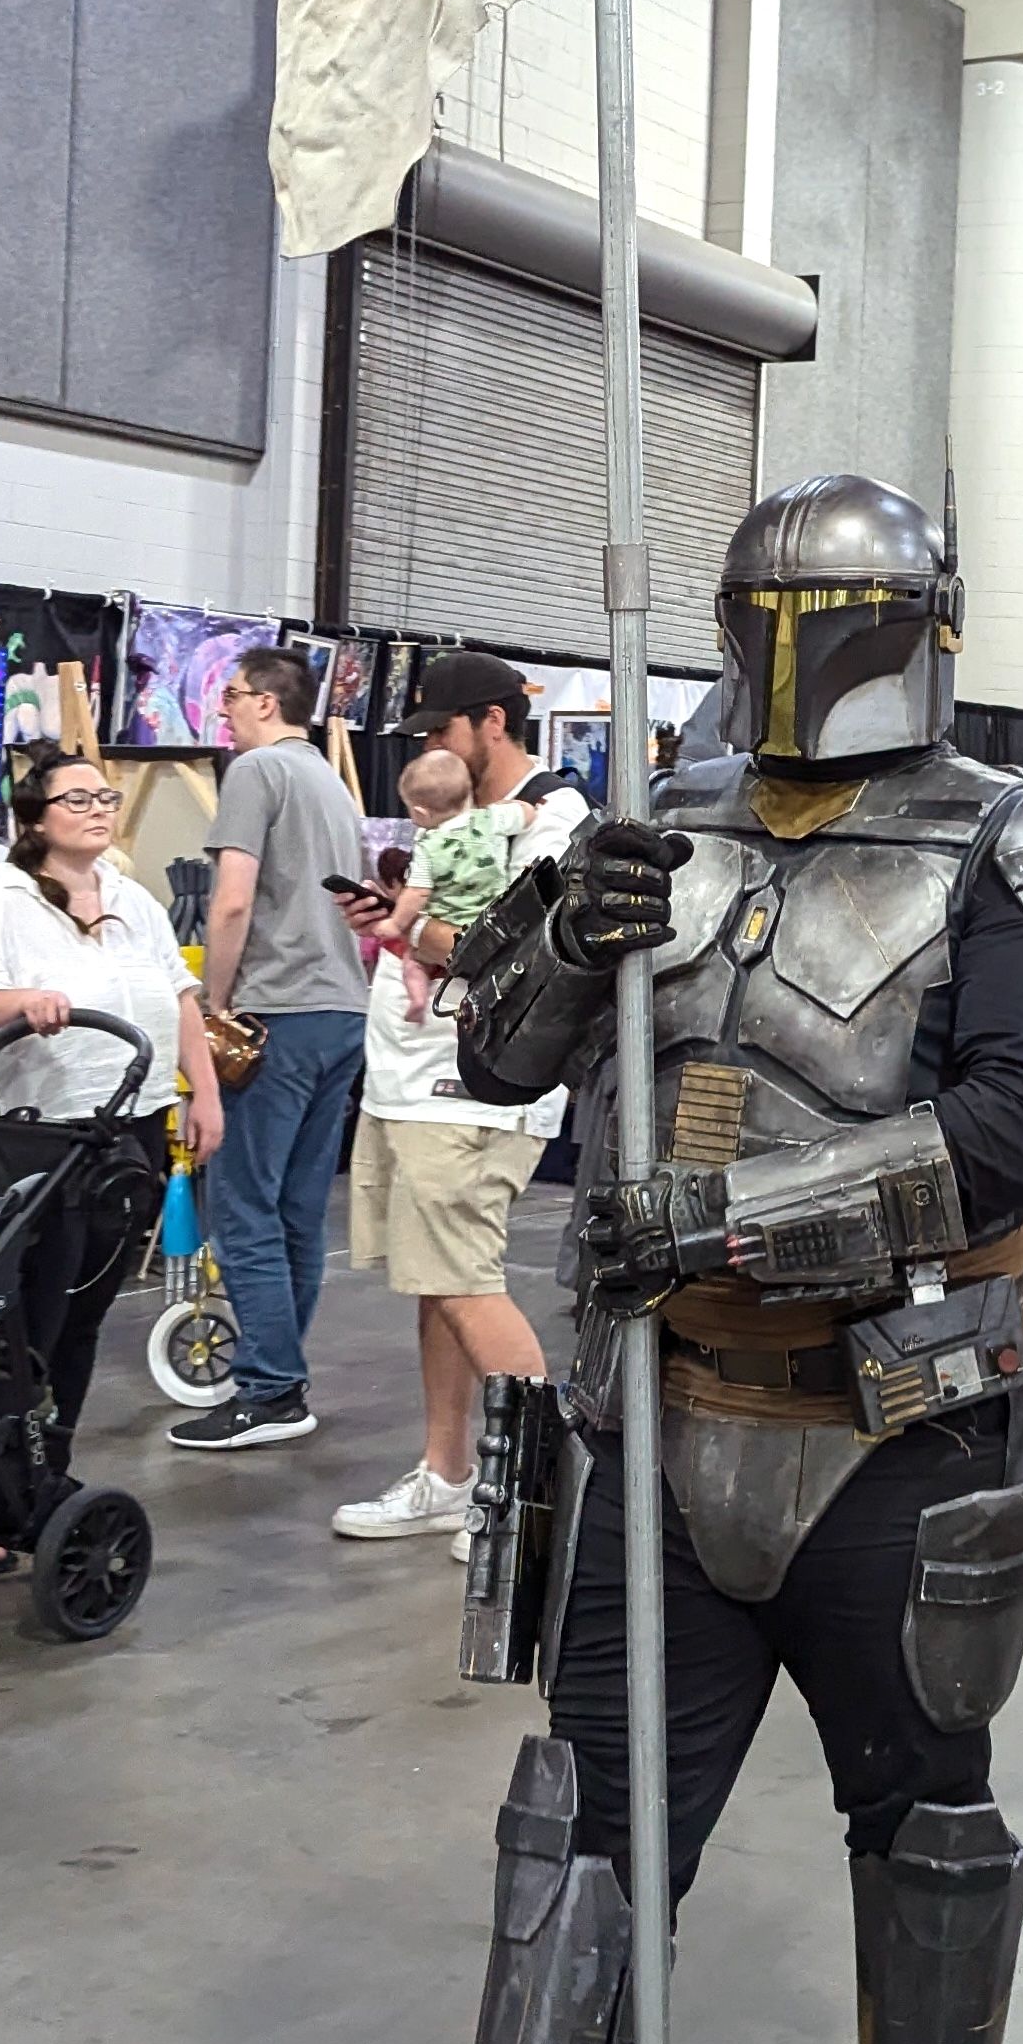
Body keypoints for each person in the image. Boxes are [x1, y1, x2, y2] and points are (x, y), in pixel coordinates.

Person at [255, 473, 1023, 2044]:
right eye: (774, 612)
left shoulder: (1016, 838)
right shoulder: (661, 814)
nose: (798, 655)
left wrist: (733, 1214)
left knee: (922, 1821)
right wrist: (575, 928)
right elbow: (491, 1051)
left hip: (901, 1435)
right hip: (656, 1431)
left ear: (916, 627)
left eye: (836, 615)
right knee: (573, 1854)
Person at [0, 750, 225, 1558]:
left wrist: (202, 1091)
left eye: (105, 796)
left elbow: (179, 996)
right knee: (19, 1318)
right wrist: (24, 1001)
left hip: (125, 1131)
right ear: (34, 818)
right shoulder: (0, 904)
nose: (99, 808)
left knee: (87, 1317)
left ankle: (41, 1476)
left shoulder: (134, 901)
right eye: (78, 798)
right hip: (38, 1134)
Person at [331, 657, 590, 1549]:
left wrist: (406, 924)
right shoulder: (459, 817)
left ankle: (545, 1494)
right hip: (408, 1078)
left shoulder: (553, 820)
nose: (430, 755)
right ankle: (448, 1471)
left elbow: (513, 956)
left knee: (465, 1282)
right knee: (433, 1282)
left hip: (475, 1091)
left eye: (440, 733)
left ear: (490, 722)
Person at [168, 647, 367, 1458]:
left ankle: (270, 1388)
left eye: (233, 695)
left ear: (265, 704)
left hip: (274, 1014)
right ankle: (276, 1372)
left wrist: (213, 1006)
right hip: (339, 1012)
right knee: (295, 1210)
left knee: (241, 1205)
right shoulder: (329, 780)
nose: (223, 708)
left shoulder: (255, 774)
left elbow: (233, 899)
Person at [379, 749, 507, 1023]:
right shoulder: (489, 819)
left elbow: (417, 893)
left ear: (420, 812)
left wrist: (395, 924)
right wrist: (530, 810)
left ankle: (417, 999)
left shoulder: (428, 847)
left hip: (447, 920)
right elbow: (523, 814)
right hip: (489, 917)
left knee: (413, 961)